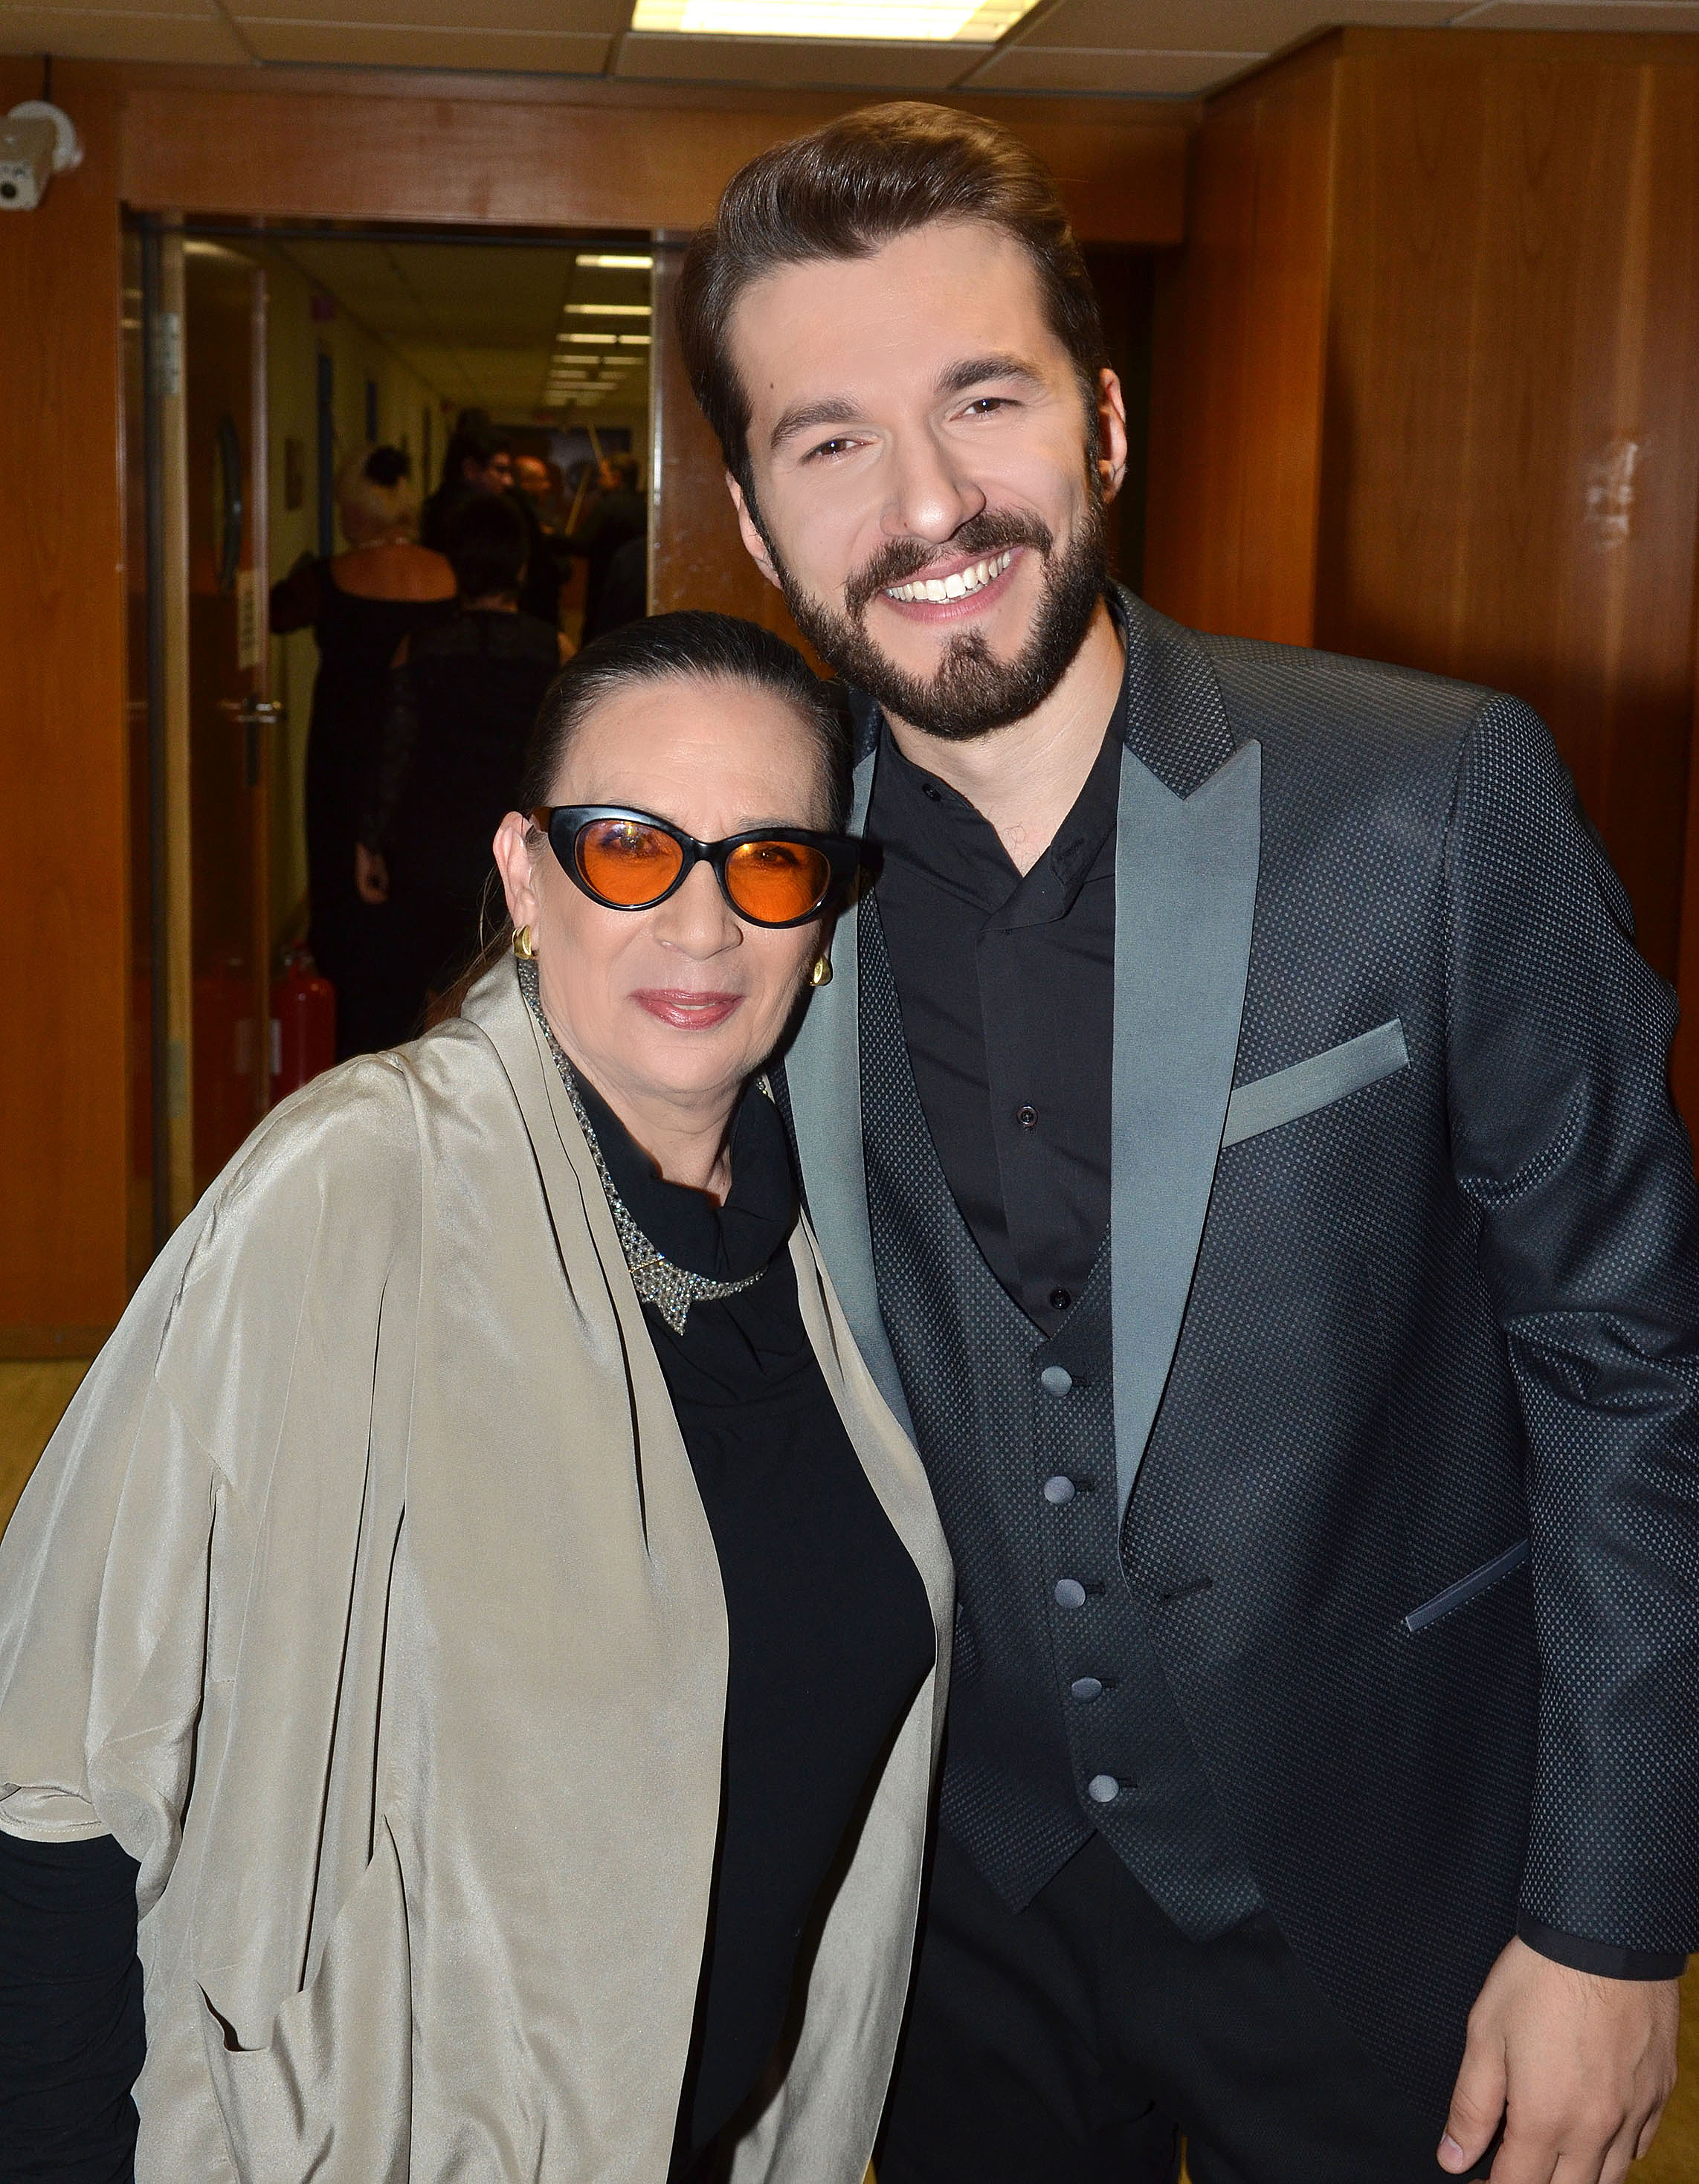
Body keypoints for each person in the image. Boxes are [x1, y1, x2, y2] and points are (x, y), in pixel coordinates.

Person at [677, 102, 1699, 2184]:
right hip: (958, 1919)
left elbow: (1627, 1367)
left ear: (1105, 420)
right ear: (756, 523)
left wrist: (1607, 1922)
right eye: (831, 440)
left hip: (1388, 1898)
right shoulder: (743, 892)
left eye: (983, 399)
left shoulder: (1427, 802)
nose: (928, 502)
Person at [0, 611, 952, 2184]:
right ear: (524, 873)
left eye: (768, 861)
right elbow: (54, 1775)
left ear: (825, 911)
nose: (701, 924)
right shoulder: (362, 1187)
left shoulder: (831, 1244)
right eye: (627, 847)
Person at [356, 493, 569, 1047]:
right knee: (516, 981)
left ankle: (439, 1082)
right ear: (520, 567)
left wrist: (371, 842)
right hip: (516, 843)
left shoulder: (418, 648)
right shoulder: (554, 649)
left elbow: (393, 755)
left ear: (456, 567)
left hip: (431, 843)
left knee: (433, 987)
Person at [268, 445, 456, 1059]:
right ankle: (417, 1029)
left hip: (343, 758)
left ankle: (351, 1035)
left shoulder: (332, 576)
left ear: (354, 510)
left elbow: (274, 613)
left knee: (340, 891)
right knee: (412, 883)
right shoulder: (446, 575)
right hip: (425, 749)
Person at [565, 450, 648, 641]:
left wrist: (552, 537)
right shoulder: (644, 507)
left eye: (603, 476)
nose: (599, 481)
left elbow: (582, 543)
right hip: (636, 587)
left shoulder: (608, 505)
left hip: (605, 583)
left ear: (616, 477)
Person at [419, 405, 513, 555]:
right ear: (471, 469)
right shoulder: (476, 518)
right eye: (500, 470)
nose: (508, 481)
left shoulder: (434, 507)